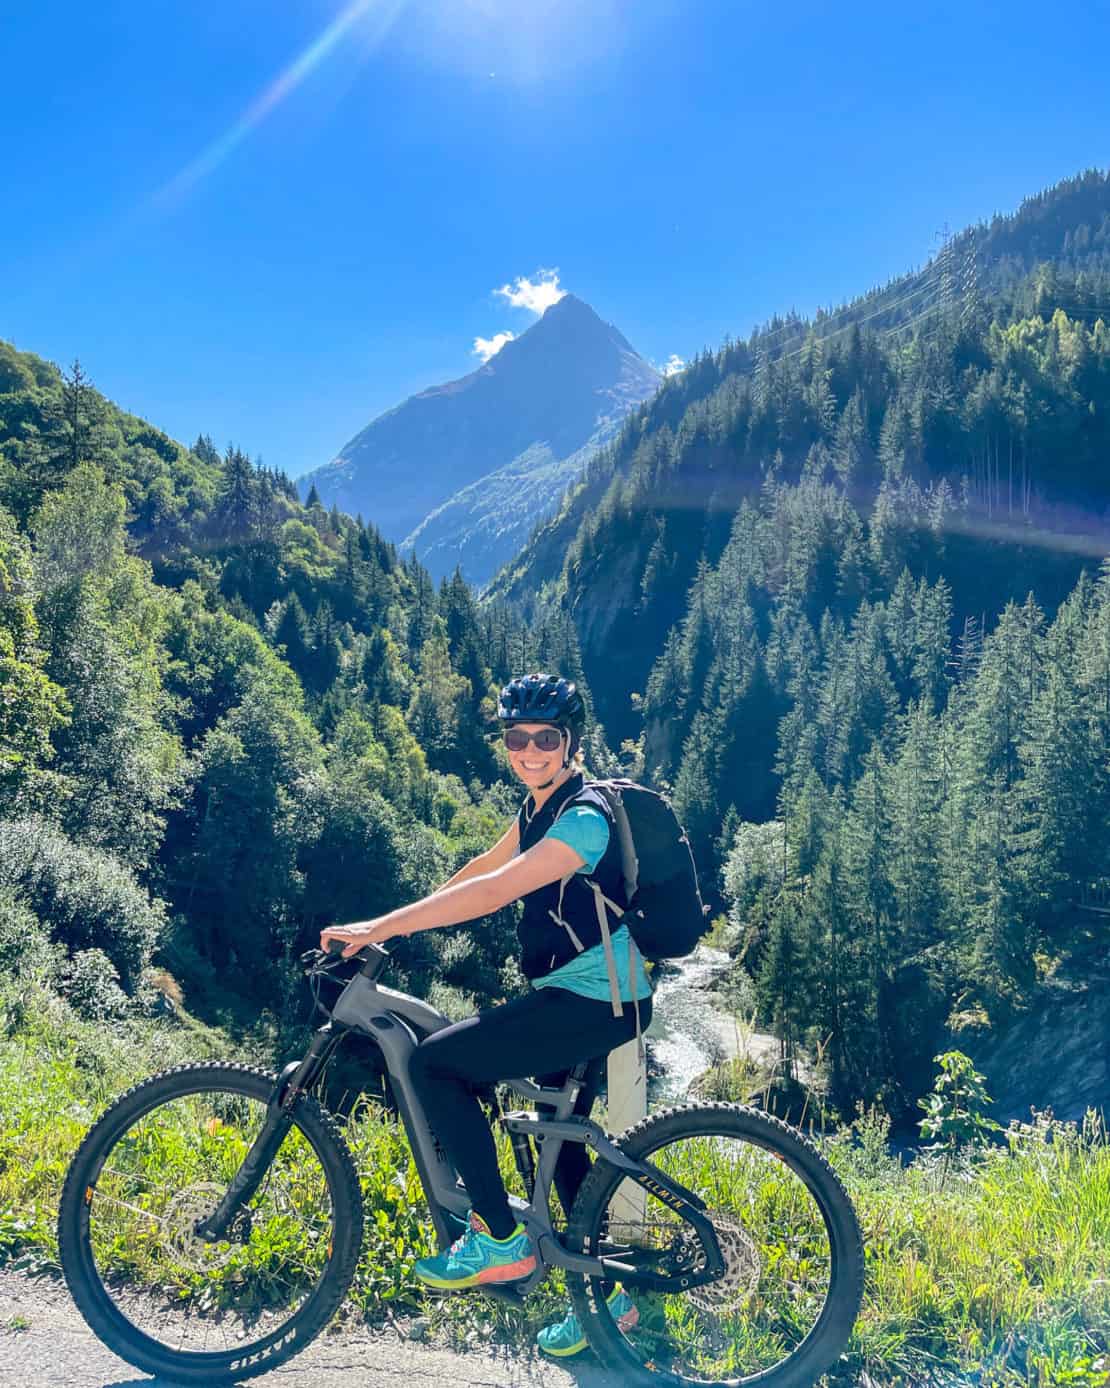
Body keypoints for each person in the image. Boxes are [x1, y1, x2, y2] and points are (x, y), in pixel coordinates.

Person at [320, 671, 651, 1356]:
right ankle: (609, 1302)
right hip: (578, 992)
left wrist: (382, 925)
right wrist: (397, 929)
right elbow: (479, 867)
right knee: (560, 1143)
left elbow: (496, 892)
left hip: (597, 1001)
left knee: (435, 1063)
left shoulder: (581, 817)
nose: (529, 750)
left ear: (571, 743)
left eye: (545, 738)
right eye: (516, 738)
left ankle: (499, 1239)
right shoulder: (539, 805)